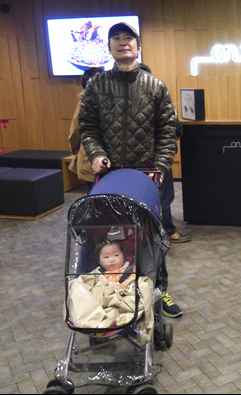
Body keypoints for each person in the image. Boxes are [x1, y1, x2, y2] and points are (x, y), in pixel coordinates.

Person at [79, 22, 183, 318]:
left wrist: (160, 168)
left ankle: (158, 290)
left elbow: (168, 132)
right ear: (109, 47)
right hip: (109, 176)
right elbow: (88, 127)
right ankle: (107, 291)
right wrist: (97, 154)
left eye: (129, 38)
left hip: (146, 177)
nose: (123, 42)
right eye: (117, 38)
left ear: (138, 47)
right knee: (106, 237)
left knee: (152, 237)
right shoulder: (97, 85)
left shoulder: (155, 86)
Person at [138, 64, 191, 244]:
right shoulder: (160, 100)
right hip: (158, 159)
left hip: (137, 162)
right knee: (163, 196)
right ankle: (166, 231)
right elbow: (176, 128)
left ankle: (145, 234)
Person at [68, 67, 104, 193]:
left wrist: (73, 148)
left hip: (90, 156)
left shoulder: (84, 101)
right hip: (111, 159)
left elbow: (75, 130)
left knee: (94, 195)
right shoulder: (114, 99)